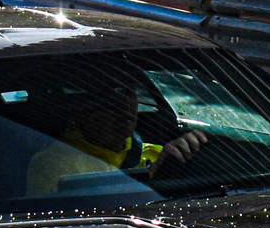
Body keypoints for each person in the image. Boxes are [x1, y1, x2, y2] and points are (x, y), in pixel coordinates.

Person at [23, 76, 208, 196]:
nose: (125, 106)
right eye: (110, 97)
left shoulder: (157, 154)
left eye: (129, 93)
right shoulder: (52, 165)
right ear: (82, 108)